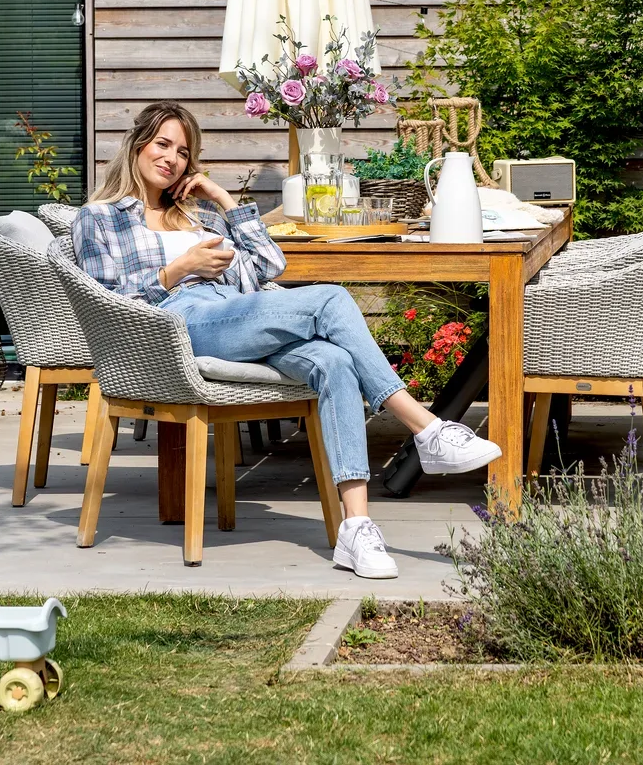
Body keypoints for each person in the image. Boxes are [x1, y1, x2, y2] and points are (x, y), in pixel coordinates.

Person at [70, 100, 501, 579]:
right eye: (163, 144)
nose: (171, 158)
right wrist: (178, 271)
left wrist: (225, 203)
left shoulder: (199, 217)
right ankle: (426, 428)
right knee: (331, 298)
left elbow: (269, 268)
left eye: (183, 152)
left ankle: (356, 530)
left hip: (235, 314)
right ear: (138, 145)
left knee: (335, 362)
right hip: (175, 324)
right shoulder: (100, 218)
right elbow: (107, 302)